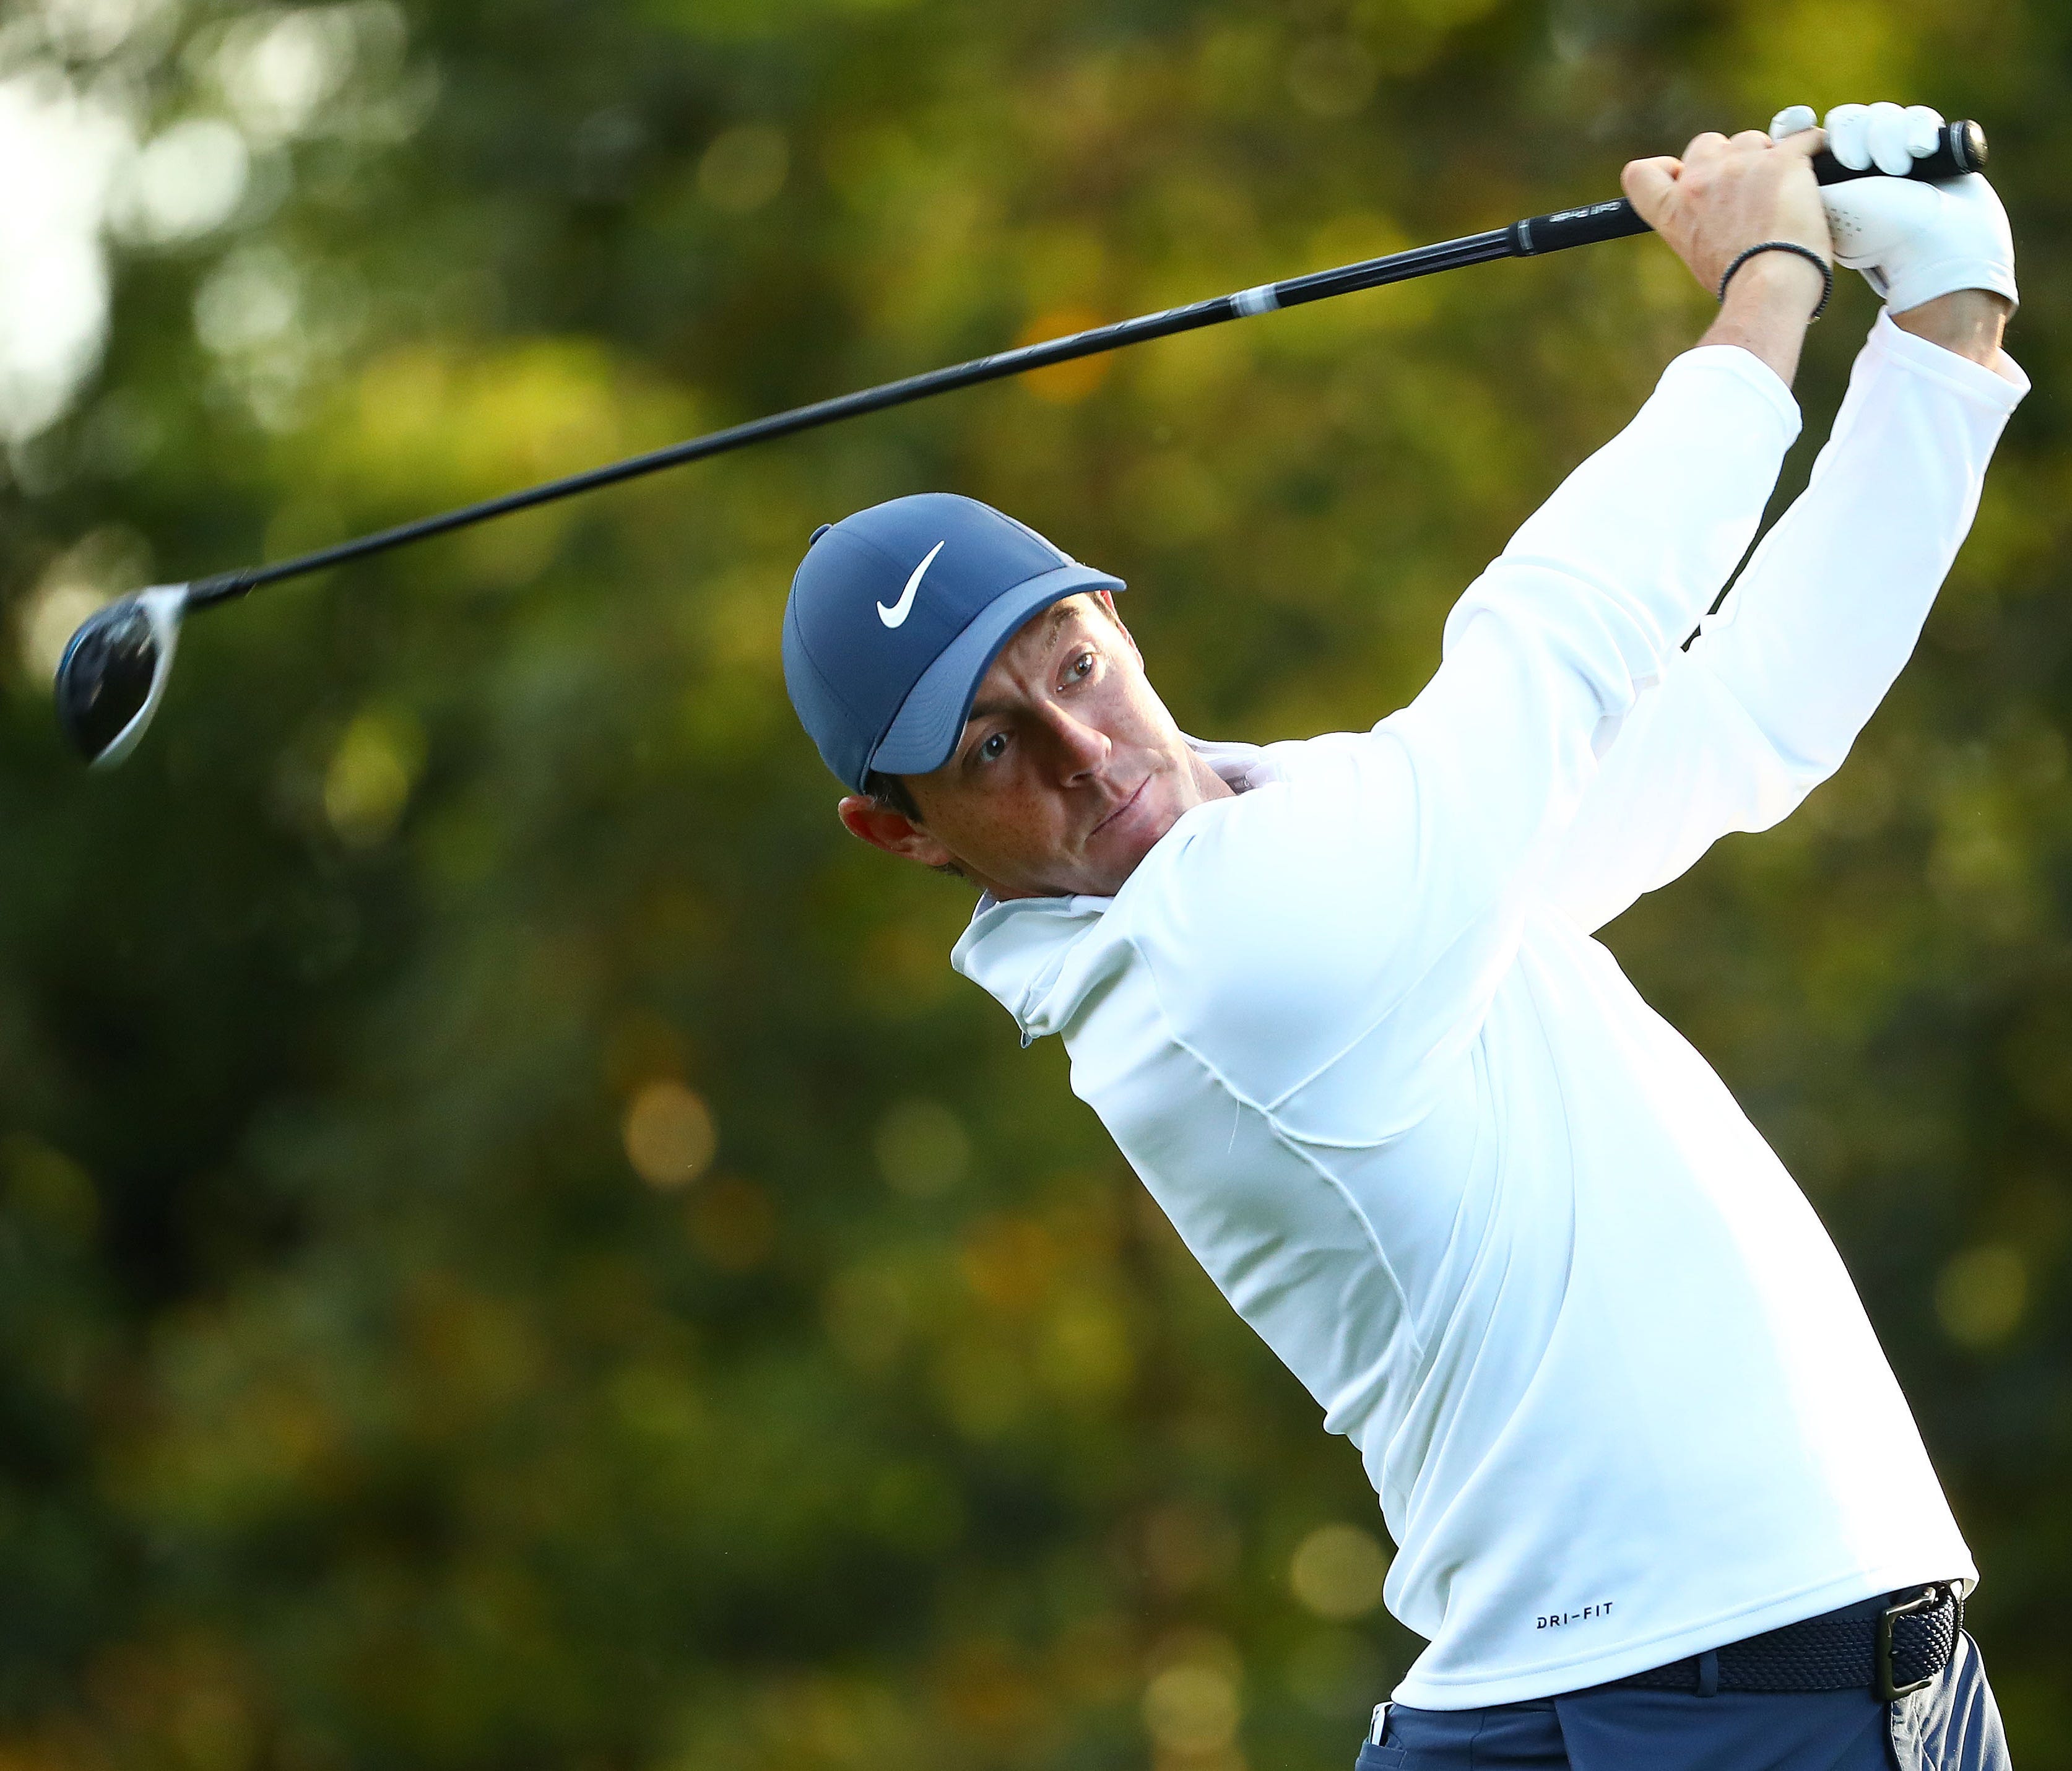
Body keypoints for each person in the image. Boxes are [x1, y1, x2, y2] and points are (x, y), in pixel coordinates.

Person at [780, 102, 2025, 1770]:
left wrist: (1944, 330)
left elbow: (1743, 722)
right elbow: (1557, 631)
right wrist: (1762, 289)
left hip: (1520, 1696)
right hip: (1753, 1672)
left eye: (1071, 668)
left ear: (1118, 624)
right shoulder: (1228, 960)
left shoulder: (1354, 853)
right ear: (900, 831)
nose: (1086, 754)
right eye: (992, 750)